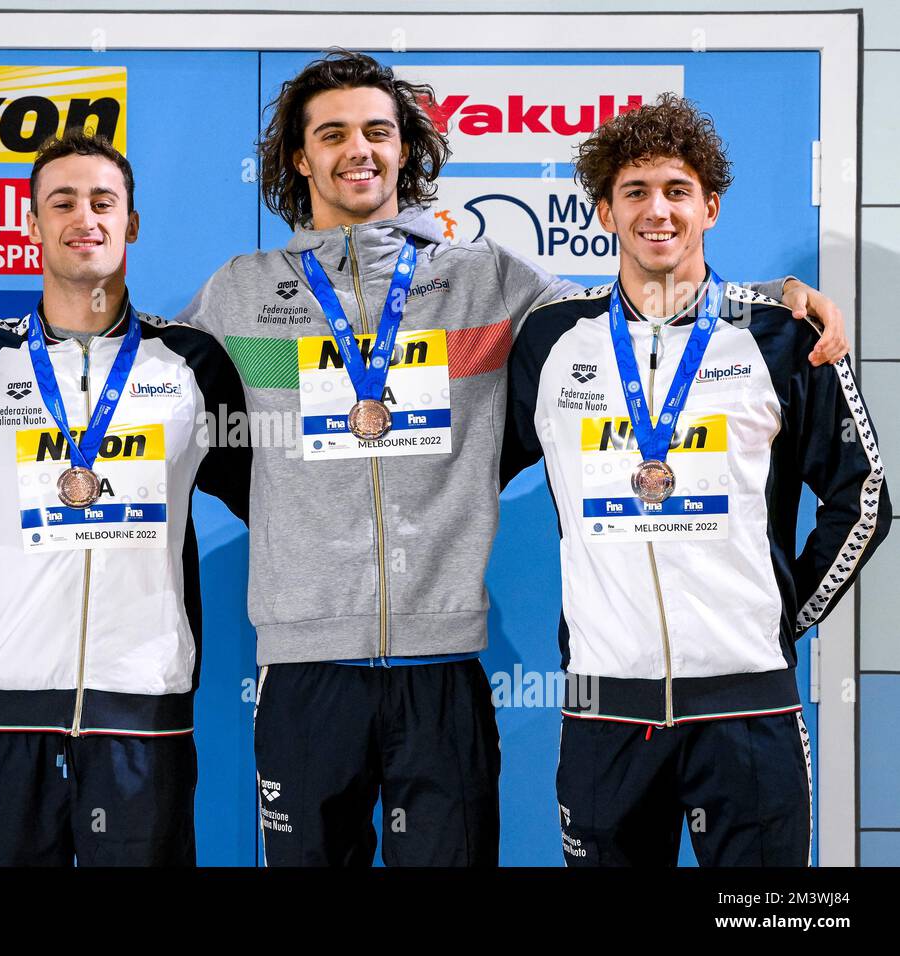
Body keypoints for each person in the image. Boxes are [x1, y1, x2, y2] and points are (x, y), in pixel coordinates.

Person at [176, 50, 850, 867]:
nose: (360, 149)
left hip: (445, 661)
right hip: (303, 662)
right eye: (334, 133)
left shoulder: (490, 280)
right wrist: (277, 500)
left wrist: (778, 296)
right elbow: (153, 392)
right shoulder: (241, 289)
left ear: (405, 148)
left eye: (378, 131)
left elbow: (643, 297)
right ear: (298, 155)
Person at [502, 93, 891, 866]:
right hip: (604, 710)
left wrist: (781, 616)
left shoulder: (783, 335)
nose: (658, 211)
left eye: (678, 190)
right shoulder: (549, 338)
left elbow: (865, 499)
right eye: (635, 191)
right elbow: (465, 471)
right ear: (605, 211)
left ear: (709, 206)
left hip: (750, 709)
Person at [0, 131, 250, 866]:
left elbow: (263, 501)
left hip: (142, 707)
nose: (84, 216)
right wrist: (6, 575)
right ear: (32, 223)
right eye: (63, 201)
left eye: (102, 201)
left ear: (131, 223)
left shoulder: (193, 363)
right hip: (4, 711)